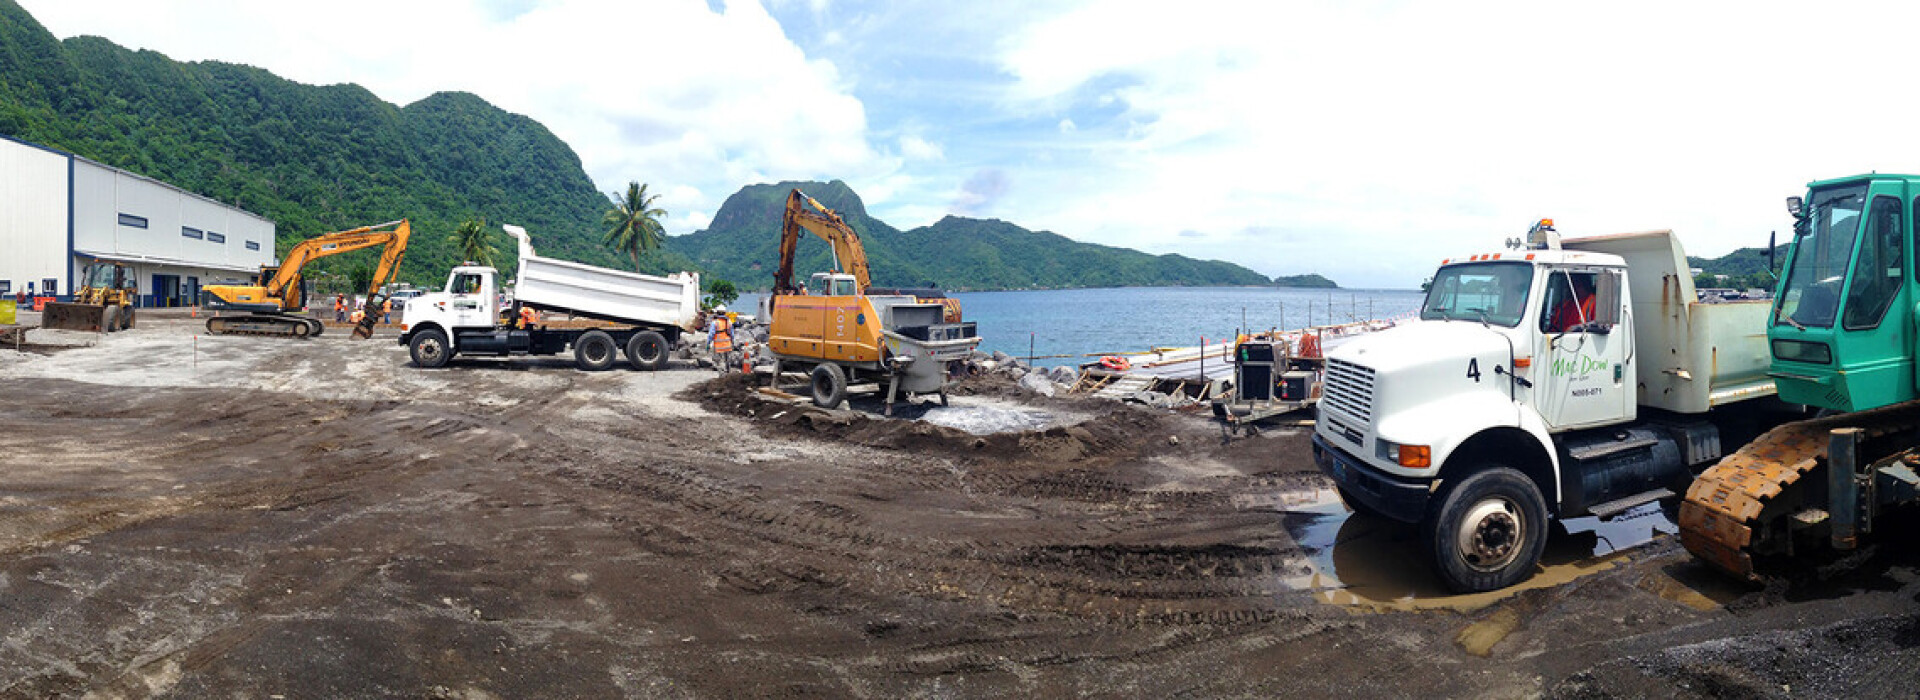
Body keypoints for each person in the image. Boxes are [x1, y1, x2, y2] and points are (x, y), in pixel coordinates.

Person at [708, 305, 735, 373]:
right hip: (727, 345)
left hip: (718, 346)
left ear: (717, 313)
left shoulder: (715, 322)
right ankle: (728, 371)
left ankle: (721, 373)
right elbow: (732, 334)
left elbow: (711, 334)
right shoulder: (729, 322)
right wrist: (732, 342)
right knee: (727, 360)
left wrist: (708, 343)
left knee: (718, 361)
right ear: (725, 313)